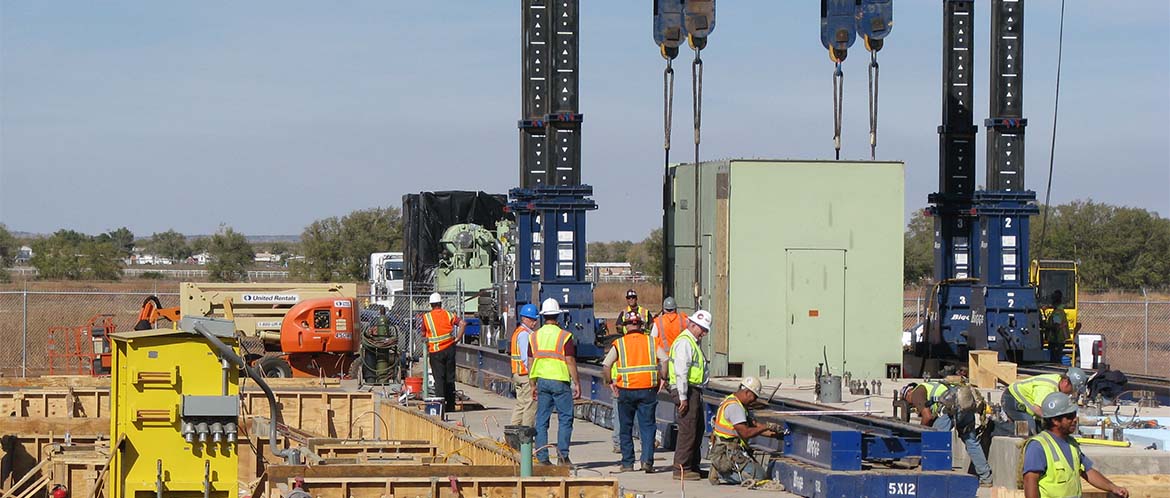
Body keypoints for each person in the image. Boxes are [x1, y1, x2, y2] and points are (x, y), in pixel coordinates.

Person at [1021, 393, 1129, 498]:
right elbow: (1030, 481)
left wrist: (1113, 488)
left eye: (1074, 415)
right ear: (1055, 421)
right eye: (1070, 417)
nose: (1075, 419)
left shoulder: (1072, 444)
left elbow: (1088, 471)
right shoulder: (1038, 446)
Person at [602, 313, 668, 473]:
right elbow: (665, 360)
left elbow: (606, 365)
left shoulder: (619, 343)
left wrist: (610, 382)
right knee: (647, 426)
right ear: (641, 325)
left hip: (626, 391)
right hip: (648, 390)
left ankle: (627, 463)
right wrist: (663, 379)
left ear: (626, 326)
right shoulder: (652, 342)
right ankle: (647, 462)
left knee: (625, 427)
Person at [906, 380, 992, 486]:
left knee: (936, 442)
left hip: (950, 409)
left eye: (908, 401)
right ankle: (986, 477)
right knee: (972, 443)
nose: (912, 405)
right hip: (966, 405)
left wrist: (921, 433)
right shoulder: (932, 386)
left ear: (909, 392)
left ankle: (935, 478)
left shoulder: (916, 393)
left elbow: (927, 417)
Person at [530, 298, 582, 466]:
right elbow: (570, 360)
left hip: (542, 381)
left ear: (543, 316)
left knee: (542, 420)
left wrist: (532, 384)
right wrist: (577, 382)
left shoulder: (534, 336)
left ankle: (542, 457)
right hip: (560, 381)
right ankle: (562, 456)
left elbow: (531, 362)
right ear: (558, 316)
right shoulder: (564, 336)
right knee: (565, 418)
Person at [708, 377, 781, 485]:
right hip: (728, 450)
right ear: (747, 392)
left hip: (728, 448)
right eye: (754, 397)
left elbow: (753, 425)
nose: (754, 400)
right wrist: (766, 426)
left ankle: (722, 468)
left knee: (758, 472)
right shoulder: (735, 407)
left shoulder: (734, 401)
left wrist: (773, 433)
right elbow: (745, 433)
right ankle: (721, 472)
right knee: (759, 476)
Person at [669, 309, 713, 480]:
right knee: (688, 429)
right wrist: (683, 397)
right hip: (686, 390)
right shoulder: (685, 343)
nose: (704, 333)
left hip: (693, 390)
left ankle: (693, 465)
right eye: (702, 329)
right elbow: (681, 371)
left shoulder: (692, 342)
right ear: (692, 325)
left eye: (706, 330)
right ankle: (682, 468)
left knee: (697, 428)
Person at [999, 367, 1087, 436]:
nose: (1071, 392)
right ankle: (995, 428)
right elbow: (1037, 409)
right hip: (1013, 399)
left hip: (1023, 404)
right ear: (1065, 382)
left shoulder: (1058, 381)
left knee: (1041, 431)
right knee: (1028, 430)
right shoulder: (1048, 389)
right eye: (1073, 389)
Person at [420, 292, 465, 413]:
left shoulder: (426, 317)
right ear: (440, 303)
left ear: (431, 304)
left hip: (436, 352)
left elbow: (423, 334)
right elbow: (462, 323)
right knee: (450, 378)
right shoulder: (449, 314)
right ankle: (451, 406)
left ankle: (441, 407)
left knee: (439, 379)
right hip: (450, 349)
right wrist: (457, 338)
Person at [509, 303, 540, 427]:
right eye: (533, 319)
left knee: (521, 406)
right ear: (525, 319)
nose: (535, 322)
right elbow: (526, 358)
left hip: (518, 374)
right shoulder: (525, 335)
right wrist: (534, 377)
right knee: (530, 406)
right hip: (525, 375)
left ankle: (513, 434)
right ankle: (526, 439)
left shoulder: (519, 332)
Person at [1042, 291, 1072, 364]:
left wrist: (1045, 326)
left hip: (1056, 340)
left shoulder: (1057, 312)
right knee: (1056, 357)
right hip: (1058, 340)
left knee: (1055, 359)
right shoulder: (1059, 310)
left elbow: (1056, 325)